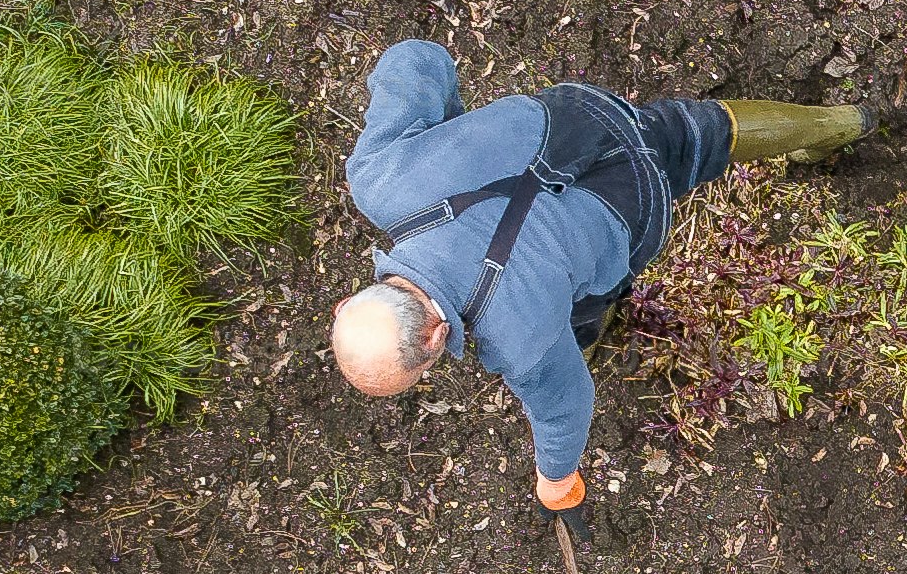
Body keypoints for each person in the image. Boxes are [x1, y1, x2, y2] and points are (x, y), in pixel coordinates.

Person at [330, 43, 865, 509]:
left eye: (423, 368)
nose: (430, 367)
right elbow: (416, 59)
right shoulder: (379, 177)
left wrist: (556, 481)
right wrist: (452, 129)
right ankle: (842, 123)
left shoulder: (517, 339)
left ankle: (591, 327)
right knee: (684, 129)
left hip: (633, 205)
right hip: (578, 115)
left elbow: (567, 405)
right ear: (351, 301)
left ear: (433, 336)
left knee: (587, 305)